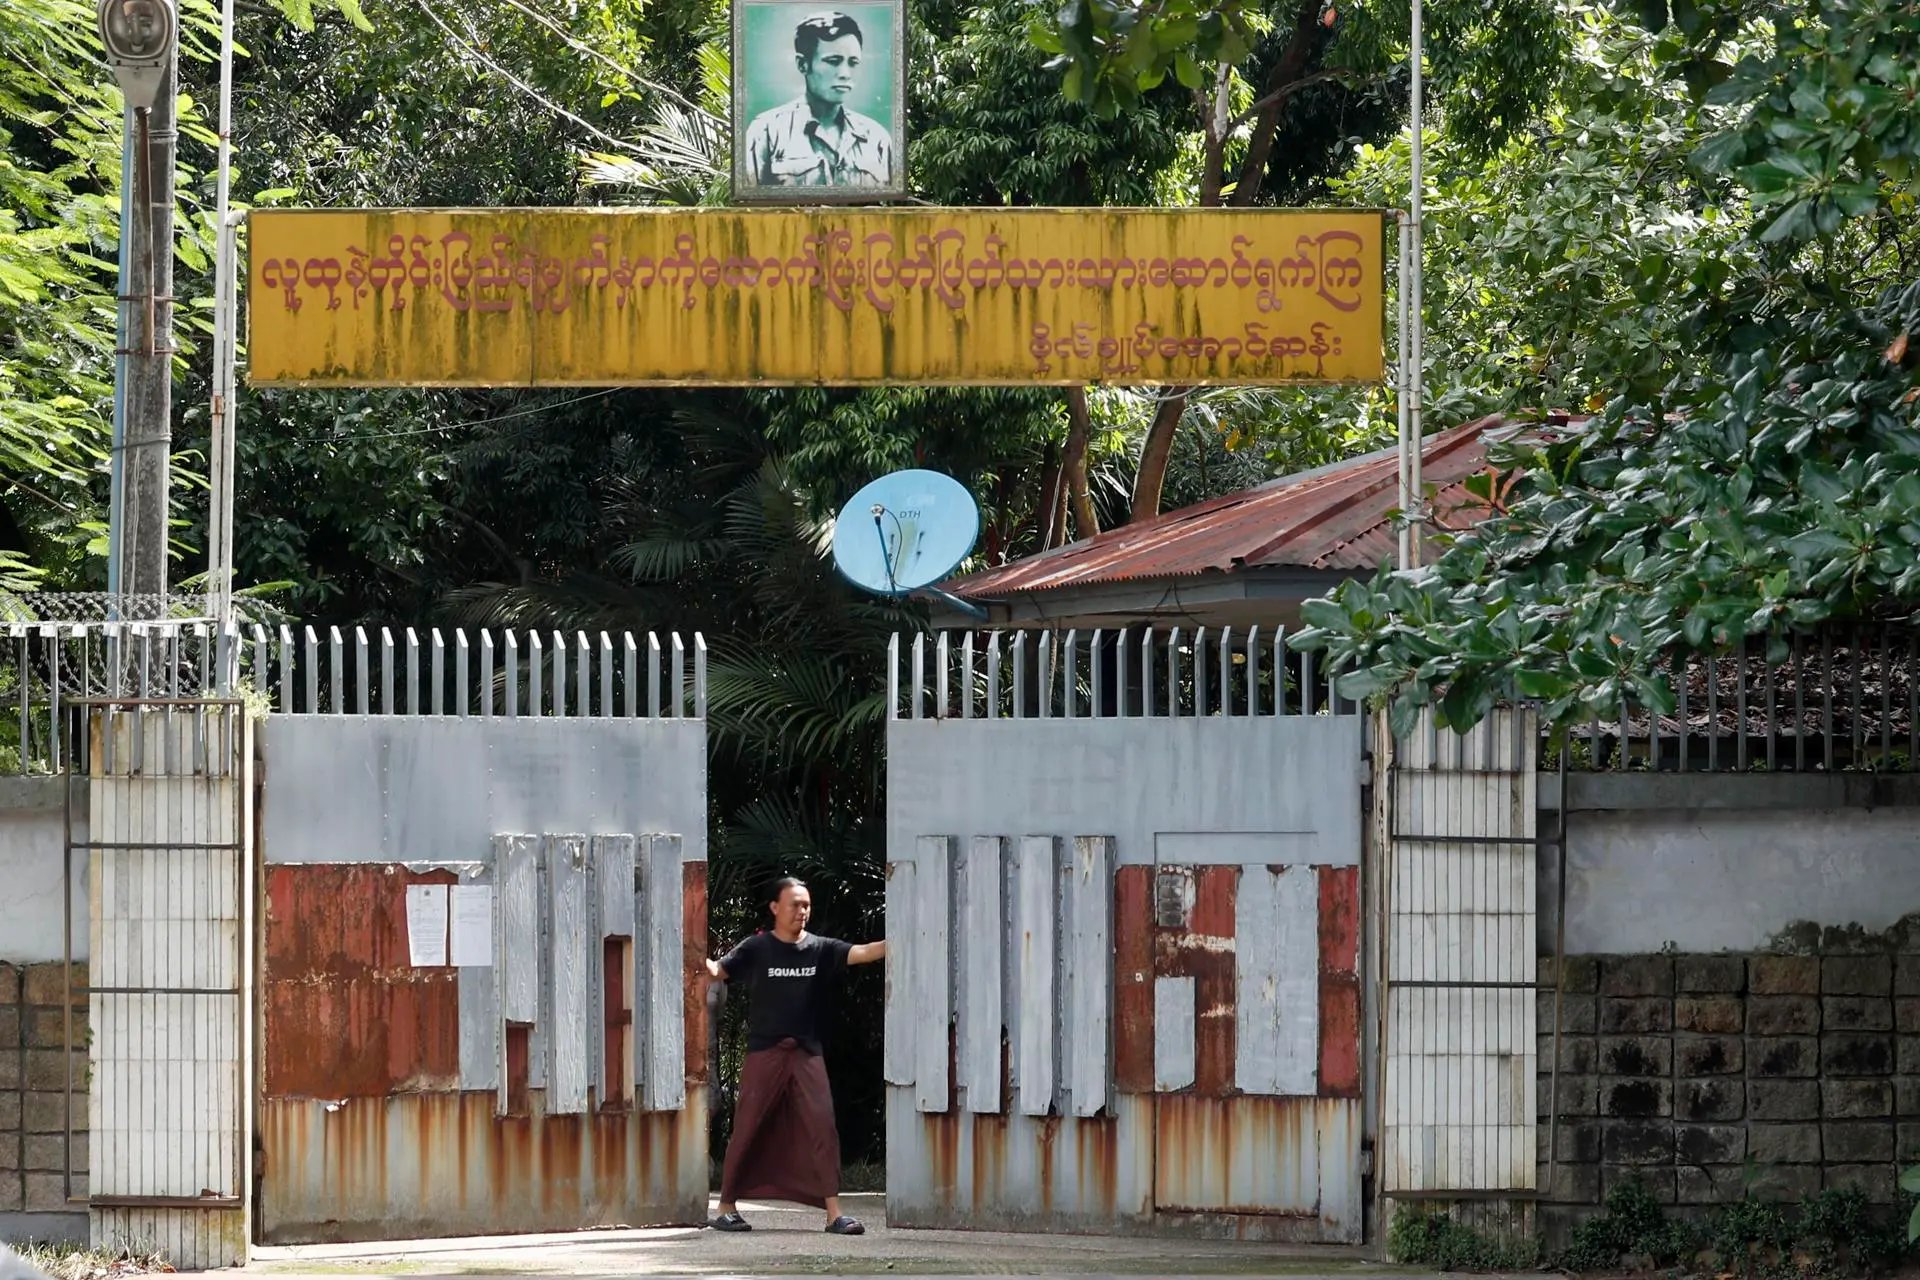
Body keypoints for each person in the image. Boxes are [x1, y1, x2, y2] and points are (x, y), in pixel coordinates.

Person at [705, 876, 886, 1234]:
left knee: (823, 1126)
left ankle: (834, 1215)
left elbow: (862, 952)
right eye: (794, 904)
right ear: (775, 907)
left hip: (807, 1052)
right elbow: (719, 971)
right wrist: (693, 954)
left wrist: (904, 939)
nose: (802, 911)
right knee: (748, 1125)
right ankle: (726, 1207)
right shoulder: (756, 949)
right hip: (765, 1052)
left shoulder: (820, 948)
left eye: (806, 905)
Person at [740, 11, 895, 189]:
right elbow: (751, 208)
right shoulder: (766, 132)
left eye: (853, 62)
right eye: (833, 61)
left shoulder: (877, 138)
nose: (845, 74)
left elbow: (892, 208)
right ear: (802, 64)